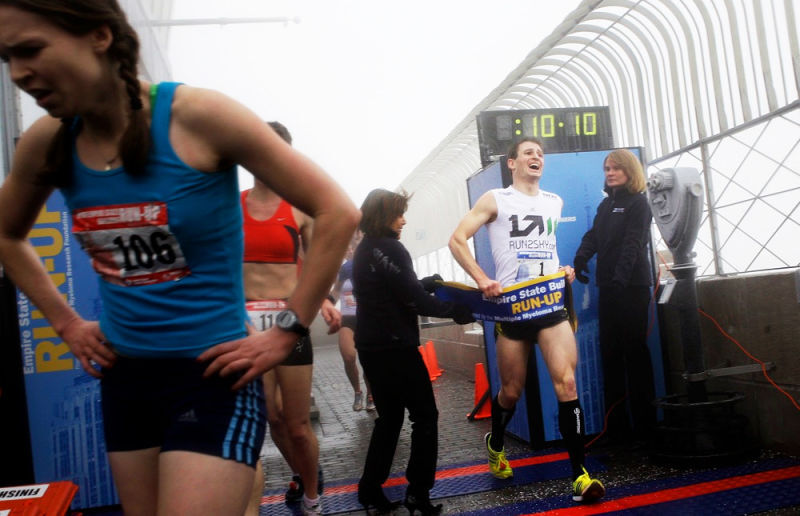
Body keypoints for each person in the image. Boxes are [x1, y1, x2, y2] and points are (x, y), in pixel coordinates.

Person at [0, 2, 359, 515]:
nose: (18, 73)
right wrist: (67, 323)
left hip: (213, 375)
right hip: (126, 380)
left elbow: (337, 212)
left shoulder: (198, 117)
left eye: (31, 50)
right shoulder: (48, 141)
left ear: (99, 36)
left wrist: (288, 329)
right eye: (7, 58)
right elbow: (7, 234)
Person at [448, 137, 605, 503]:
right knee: (511, 392)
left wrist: (562, 271)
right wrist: (482, 279)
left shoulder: (554, 202)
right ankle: (496, 443)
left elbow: (545, 249)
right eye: (528, 153)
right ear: (512, 163)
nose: (536, 157)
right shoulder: (495, 199)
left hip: (549, 304)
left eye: (540, 153)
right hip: (513, 310)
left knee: (567, 384)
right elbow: (456, 240)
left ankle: (580, 475)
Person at [353, 189, 474, 515]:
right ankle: (418, 493)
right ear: (383, 216)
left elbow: (393, 289)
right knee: (425, 417)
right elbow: (415, 300)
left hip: (370, 347)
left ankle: (369, 491)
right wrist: (456, 310)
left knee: (389, 420)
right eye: (398, 213)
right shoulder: (392, 247)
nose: (403, 220)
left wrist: (423, 282)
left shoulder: (364, 250)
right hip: (397, 348)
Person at [243, 122, 338, 516]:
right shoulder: (232, 206)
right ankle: (302, 473)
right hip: (247, 323)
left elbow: (319, 263)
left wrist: (326, 299)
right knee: (273, 417)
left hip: (288, 321)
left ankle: (313, 497)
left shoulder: (299, 208)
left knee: (297, 425)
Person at [573, 149, 656, 447]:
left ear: (629, 171)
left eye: (616, 168)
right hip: (609, 289)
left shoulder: (639, 204)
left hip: (631, 289)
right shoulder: (606, 204)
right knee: (610, 356)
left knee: (635, 355)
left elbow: (634, 244)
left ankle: (646, 429)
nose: (609, 173)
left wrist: (621, 279)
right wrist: (581, 258)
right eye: (607, 168)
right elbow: (594, 236)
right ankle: (618, 431)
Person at [330, 230, 374, 412]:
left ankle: (371, 395)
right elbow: (335, 291)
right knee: (348, 356)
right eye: (346, 248)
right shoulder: (344, 269)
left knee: (368, 360)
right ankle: (357, 392)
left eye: (352, 247)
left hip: (368, 318)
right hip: (347, 318)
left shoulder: (368, 264)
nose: (349, 250)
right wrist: (327, 303)